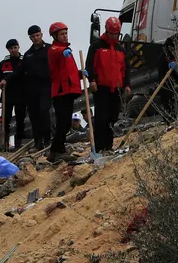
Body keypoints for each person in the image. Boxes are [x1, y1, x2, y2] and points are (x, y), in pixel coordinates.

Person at [87, 16, 131, 152]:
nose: (113, 36)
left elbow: (125, 69)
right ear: (106, 30)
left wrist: (127, 85)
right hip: (101, 87)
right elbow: (90, 64)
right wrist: (92, 80)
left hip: (116, 88)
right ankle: (99, 147)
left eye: (116, 33)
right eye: (111, 33)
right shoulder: (97, 45)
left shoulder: (121, 49)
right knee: (101, 118)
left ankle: (108, 145)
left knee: (113, 117)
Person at [47, 22, 83, 162]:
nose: (65, 36)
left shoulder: (67, 51)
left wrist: (80, 74)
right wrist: (62, 52)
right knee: (63, 122)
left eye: (66, 33)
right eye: (62, 34)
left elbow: (69, 72)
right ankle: (57, 150)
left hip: (68, 90)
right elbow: (55, 53)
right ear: (55, 36)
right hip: (61, 91)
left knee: (65, 122)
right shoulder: (56, 50)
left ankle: (55, 151)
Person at [21, 25, 53, 151]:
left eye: (37, 35)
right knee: (34, 116)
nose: (36, 38)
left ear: (41, 35)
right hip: (32, 89)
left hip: (46, 86)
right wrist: (5, 80)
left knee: (44, 112)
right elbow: (21, 72)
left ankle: (47, 140)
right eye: (33, 36)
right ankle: (38, 142)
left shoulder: (50, 49)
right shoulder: (28, 54)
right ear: (30, 38)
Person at [0, 38, 27, 150]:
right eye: (11, 48)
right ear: (8, 50)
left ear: (18, 47)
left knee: (20, 120)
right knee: (5, 120)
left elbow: (21, 74)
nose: (13, 50)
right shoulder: (4, 63)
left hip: (21, 95)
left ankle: (19, 143)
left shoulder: (24, 61)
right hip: (7, 95)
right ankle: (5, 143)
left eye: (15, 47)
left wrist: (7, 79)